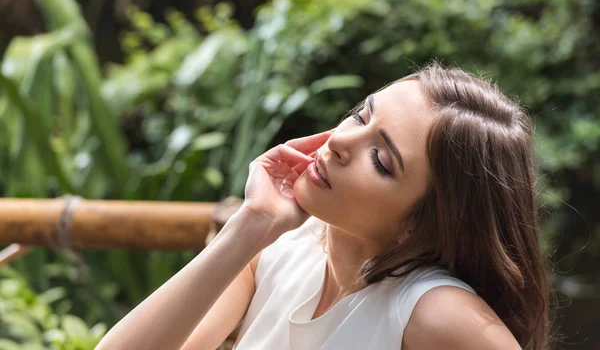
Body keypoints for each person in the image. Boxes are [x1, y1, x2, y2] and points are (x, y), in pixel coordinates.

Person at [96, 63, 551, 350]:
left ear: (419, 222)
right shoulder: (277, 252)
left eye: (381, 159)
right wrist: (250, 225)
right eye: (360, 116)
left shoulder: (434, 313)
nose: (338, 142)